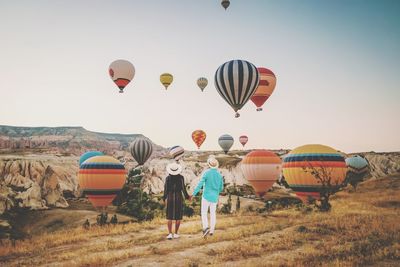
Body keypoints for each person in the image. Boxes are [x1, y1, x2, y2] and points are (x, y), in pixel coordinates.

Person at [192, 156, 223, 237]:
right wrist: (216, 192)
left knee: (204, 212)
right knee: (213, 213)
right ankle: (212, 231)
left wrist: (194, 193)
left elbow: (200, 184)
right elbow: (221, 188)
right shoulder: (219, 175)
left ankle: (205, 228)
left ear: (209, 165)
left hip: (206, 196)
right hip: (214, 197)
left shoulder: (206, 173)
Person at [163, 162, 190, 240]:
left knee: (169, 217)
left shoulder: (168, 178)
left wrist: (164, 198)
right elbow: (183, 189)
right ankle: (176, 233)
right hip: (178, 198)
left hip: (170, 197)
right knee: (178, 217)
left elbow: (165, 189)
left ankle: (169, 234)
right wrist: (187, 197)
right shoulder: (181, 178)